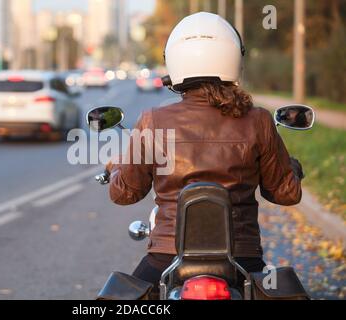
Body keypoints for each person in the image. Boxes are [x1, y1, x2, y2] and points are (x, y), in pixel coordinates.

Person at [105, 12, 304, 299]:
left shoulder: (152, 120)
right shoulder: (258, 119)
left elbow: (124, 194)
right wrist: (292, 168)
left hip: (167, 253)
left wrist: (118, 168)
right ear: (235, 57)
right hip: (242, 255)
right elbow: (286, 194)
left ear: (174, 59)